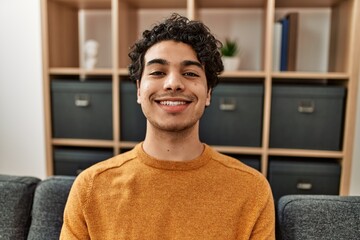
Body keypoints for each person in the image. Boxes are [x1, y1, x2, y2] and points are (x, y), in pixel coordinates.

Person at [60, 13, 275, 239]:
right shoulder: (90, 187)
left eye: (190, 73)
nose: (173, 84)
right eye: (158, 72)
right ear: (139, 90)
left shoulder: (251, 190)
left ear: (208, 92)